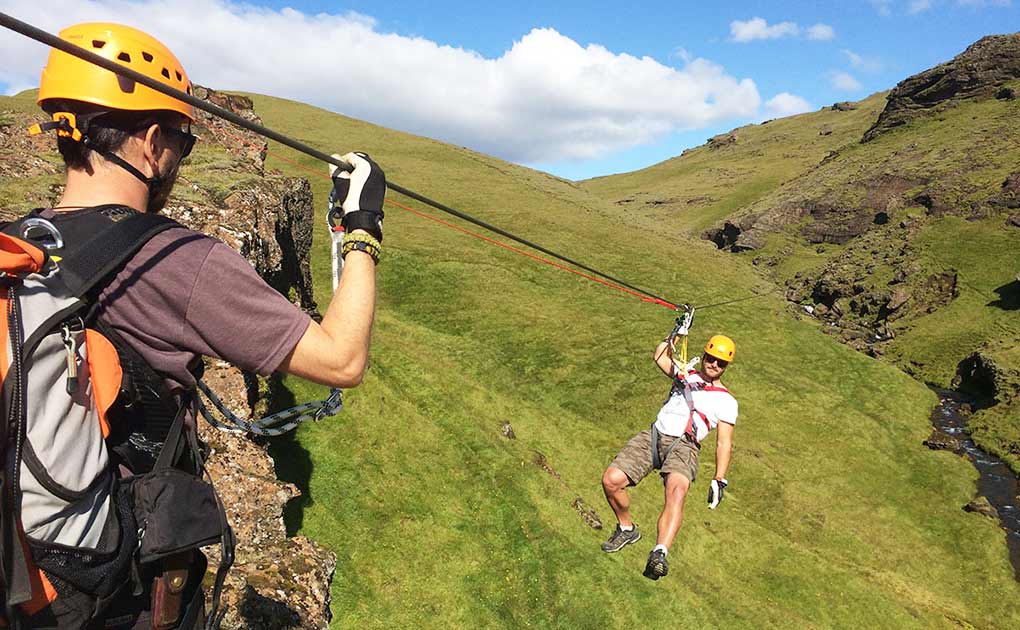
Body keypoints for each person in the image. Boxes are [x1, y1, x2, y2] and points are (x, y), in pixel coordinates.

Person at [6, 22, 383, 628]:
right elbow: (342, 360)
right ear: (153, 142)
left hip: (23, 565)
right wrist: (362, 228)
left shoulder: (26, 241)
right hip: (109, 584)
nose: (180, 159)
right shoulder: (174, 260)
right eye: (184, 142)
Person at [600, 334, 738, 580]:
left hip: (685, 446)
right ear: (704, 355)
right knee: (611, 480)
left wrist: (719, 478)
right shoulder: (686, 374)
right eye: (711, 358)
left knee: (676, 492)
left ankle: (659, 553)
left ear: (726, 367)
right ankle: (626, 528)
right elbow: (660, 356)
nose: (714, 365)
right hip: (653, 436)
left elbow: (724, 442)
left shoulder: (727, 401)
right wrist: (676, 332)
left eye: (721, 363)